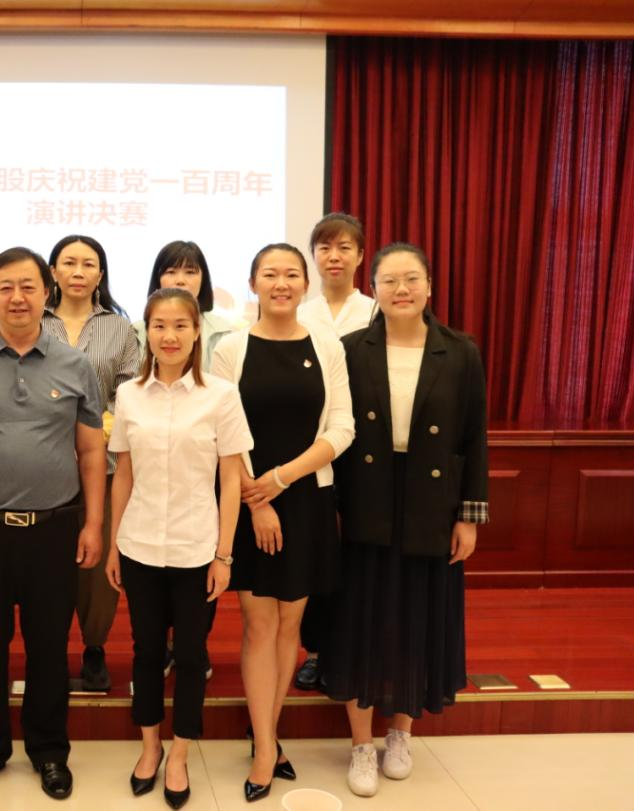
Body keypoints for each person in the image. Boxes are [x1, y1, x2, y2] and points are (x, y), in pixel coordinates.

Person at [0, 247, 106, 801]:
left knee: (48, 645)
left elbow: (91, 451)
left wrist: (94, 524)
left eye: (28, 286)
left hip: (55, 527)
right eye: (5, 287)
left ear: (46, 291)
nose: (18, 297)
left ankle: (49, 750)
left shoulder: (75, 365)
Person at [322, 243, 488, 799]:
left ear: (429, 287)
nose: (401, 289)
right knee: (360, 618)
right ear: (372, 289)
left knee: (418, 616)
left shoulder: (459, 351)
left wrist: (469, 517)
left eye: (411, 278)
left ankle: (400, 734)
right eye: (389, 280)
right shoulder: (350, 350)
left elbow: (474, 438)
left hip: (430, 501)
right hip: (364, 498)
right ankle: (360, 743)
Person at [211, 243, 354, 803]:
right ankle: (265, 749)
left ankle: (266, 738)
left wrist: (282, 479)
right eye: (270, 274)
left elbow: (341, 429)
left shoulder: (326, 345)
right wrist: (258, 500)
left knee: (290, 625)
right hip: (248, 500)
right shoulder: (231, 348)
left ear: (305, 284)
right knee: (258, 624)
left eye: (292, 274)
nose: (281, 283)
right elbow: (223, 432)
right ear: (253, 283)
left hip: (307, 499)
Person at [105, 288, 252, 809]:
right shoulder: (129, 395)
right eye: (159, 326)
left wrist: (224, 554)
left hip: (197, 550)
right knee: (146, 653)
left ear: (196, 332)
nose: (169, 336)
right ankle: (150, 747)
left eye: (180, 326)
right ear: (146, 331)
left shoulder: (221, 395)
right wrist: (113, 546)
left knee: (190, 656)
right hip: (140, 546)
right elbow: (123, 474)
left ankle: (181, 753)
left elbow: (230, 480)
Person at [43, 234, 140, 692]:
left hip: (104, 464)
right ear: (53, 271)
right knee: (50, 561)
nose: (78, 272)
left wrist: (98, 428)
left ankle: (94, 647)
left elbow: (130, 390)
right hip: (43, 464)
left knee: (97, 562)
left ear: (101, 273)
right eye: (69, 263)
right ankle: (50, 647)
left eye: (88, 264)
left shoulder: (120, 329)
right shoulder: (33, 322)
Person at [293, 212, 374, 692]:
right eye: (325, 248)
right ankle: (317, 651)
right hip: (311, 451)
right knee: (317, 556)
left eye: (345, 247)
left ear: (361, 256)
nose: (334, 256)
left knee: (358, 557)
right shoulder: (299, 313)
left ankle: (357, 648)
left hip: (366, 453)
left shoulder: (377, 311)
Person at [134, 240, 243, 373]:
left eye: (190, 272)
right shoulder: (135, 332)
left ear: (203, 279)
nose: (180, 281)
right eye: (171, 272)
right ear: (158, 279)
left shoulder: (224, 332)